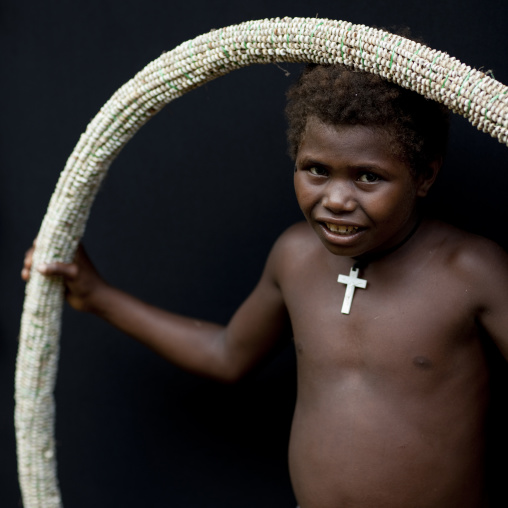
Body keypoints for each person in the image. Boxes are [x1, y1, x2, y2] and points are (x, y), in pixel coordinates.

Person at [22, 64, 508, 508]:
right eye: (317, 169)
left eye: (368, 177)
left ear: (424, 175)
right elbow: (226, 355)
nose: (337, 199)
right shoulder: (295, 257)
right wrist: (99, 297)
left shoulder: (472, 271)